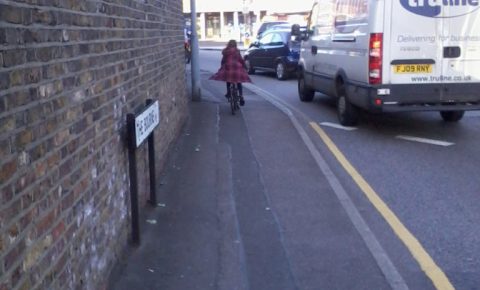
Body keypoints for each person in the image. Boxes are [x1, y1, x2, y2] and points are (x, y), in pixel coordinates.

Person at [210, 39, 251, 106]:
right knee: (238, 82)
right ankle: (241, 96)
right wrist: (245, 67)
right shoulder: (237, 51)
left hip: (229, 67)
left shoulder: (226, 51)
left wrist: (222, 67)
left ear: (228, 44)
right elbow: (241, 60)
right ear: (235, 44)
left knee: (228, 79)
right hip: (237, 68)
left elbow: (223, 61)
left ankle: (229, 93)